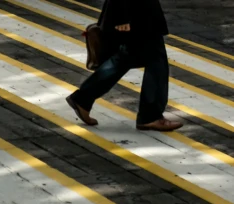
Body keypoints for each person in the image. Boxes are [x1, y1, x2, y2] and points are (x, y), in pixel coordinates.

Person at [66, 0, 183, 132]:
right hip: (135, 11)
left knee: (129, 57)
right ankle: (150, 116)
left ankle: (83, 98)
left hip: (137, 10)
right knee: (154, 58)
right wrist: (122, 16)